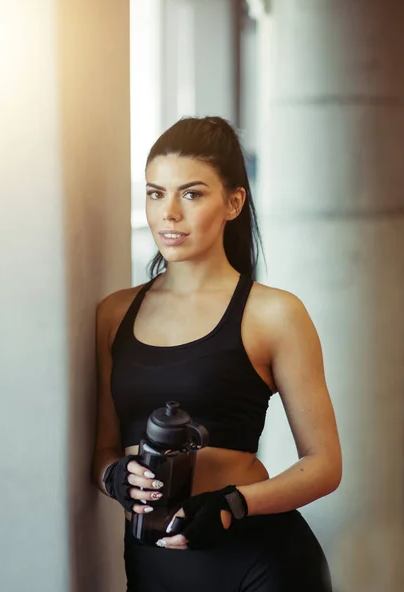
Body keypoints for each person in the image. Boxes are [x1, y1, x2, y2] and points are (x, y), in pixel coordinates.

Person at [92, 116, 342, 591]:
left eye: (191, 193)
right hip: (154, 570)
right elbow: (103, 449)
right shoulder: (114, 314)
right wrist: (114, 478)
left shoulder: (274, 314)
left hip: (259, 563)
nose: (168, 213)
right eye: (154, 192)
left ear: (233, 202)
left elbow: (325, 464)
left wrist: (232, 504)